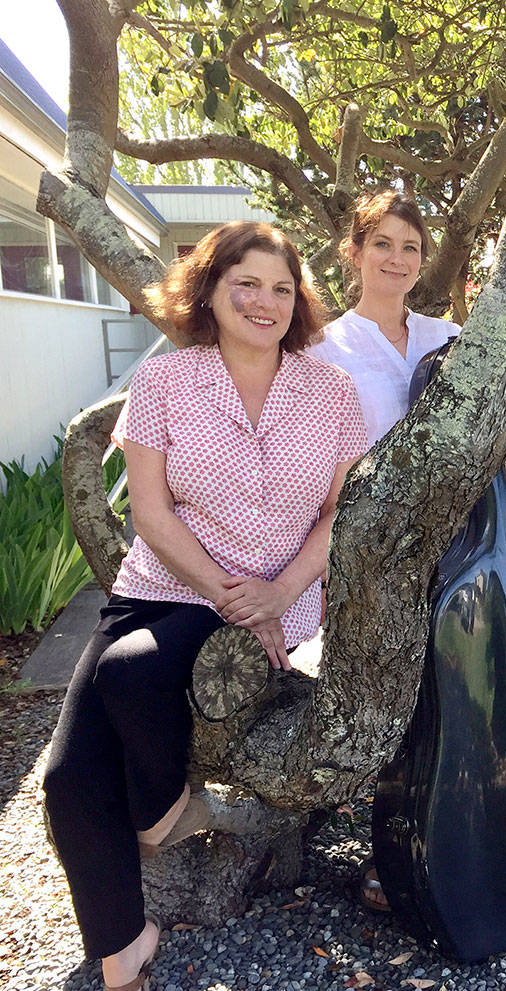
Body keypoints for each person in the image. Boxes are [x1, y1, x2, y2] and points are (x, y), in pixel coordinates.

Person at [42, 222, 367, 991]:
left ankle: (164, 812)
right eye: (246, 283)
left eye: (282, 288)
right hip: (162, 585)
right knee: (64, 777)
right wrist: (230, 591)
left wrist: (278, 593)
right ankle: (124, 944)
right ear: (211, 289)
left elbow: (340, 512)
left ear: (300, 301)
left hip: (278, 599)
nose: (265, 301)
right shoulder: (167, 382)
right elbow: (150, 511)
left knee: (128, 678)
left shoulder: (333, 392)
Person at [307, 189, 460, 446]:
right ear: (355, 253)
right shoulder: (323, 350)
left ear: (421, 259)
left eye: (410, 248)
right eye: (382, 244)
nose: (397, 259)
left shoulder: (450, 336)